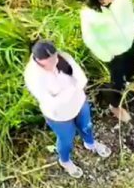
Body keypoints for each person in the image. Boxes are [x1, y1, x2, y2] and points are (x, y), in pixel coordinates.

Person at [24, 39, 110, 178]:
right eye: (50, 61)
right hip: (58, 116)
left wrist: (67, 92)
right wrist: (72, 89)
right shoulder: (33, 76)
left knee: (86, 126)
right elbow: (51, 102)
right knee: (66, 139)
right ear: (39, 60)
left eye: (55, 58)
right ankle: (65, 161)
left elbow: (81, 78)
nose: (55, 63)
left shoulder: (64, 58)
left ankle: (90, 143)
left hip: (79, 103)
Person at [80, 0, 134, 124]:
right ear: (100, 0)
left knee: (132, 65)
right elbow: (90, 38)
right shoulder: (89, 15)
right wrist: (106, 55)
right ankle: (115, 106)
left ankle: (131, 82)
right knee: (116, 81)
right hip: (113, 52)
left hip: (129, 41)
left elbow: (129, 12)